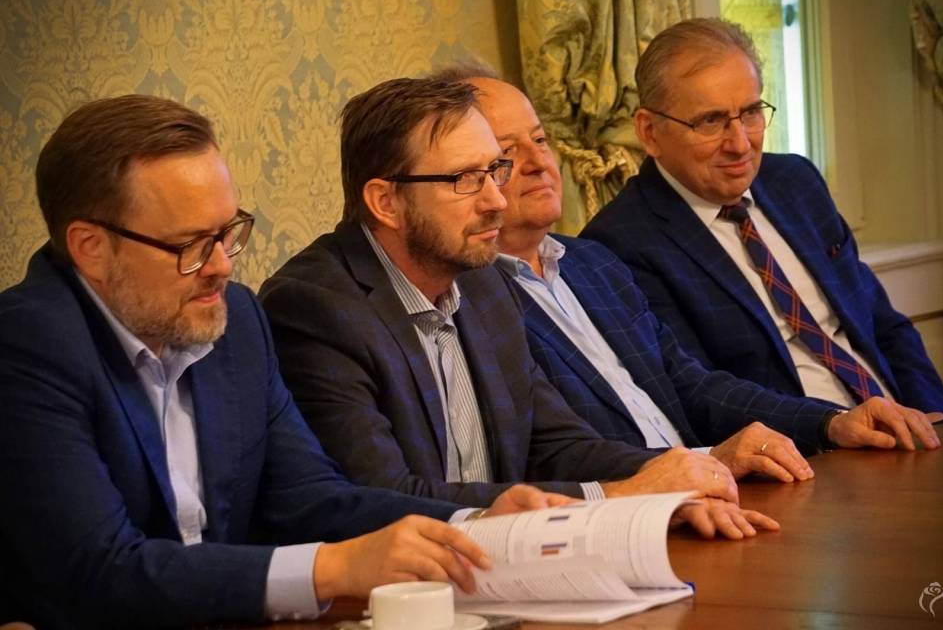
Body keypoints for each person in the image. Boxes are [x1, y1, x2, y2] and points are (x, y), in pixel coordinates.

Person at [0, 94, 564, 629]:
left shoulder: (237, 322)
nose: (222, 266)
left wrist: (476, 525)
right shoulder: (28, 345)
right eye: (191, 245)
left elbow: (309, 498)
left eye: (228, 233)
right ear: (91, 247)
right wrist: (331, 567)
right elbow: (100, 571)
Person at [259, 77, 778, 535]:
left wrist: (675, 480)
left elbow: (555, 444)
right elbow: (382, 497)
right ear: (385, 202)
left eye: (495, 170)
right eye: (465, 180)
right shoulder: (315, 309)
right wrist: (618, 497)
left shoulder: (485, 282)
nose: (496, 201)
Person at [435, 67, 941, 483]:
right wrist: (703, 463)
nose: (538, 162)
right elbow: (549, 455)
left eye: (541, 139)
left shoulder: (592, 263)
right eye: (506, 152)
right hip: (635, 514)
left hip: (715, 490)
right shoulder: (464, 299)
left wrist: (829, 423)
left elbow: (691, 384)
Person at [579, 18, 943, 418]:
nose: (740, 144)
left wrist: (939, 422)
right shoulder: (619, 245)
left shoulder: (796, 182)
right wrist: (833, 427)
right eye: (710, 121)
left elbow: (883, 324)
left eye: (751, 113)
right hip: (802, 447)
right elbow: (699, 396)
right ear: (650, 132)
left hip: (903, 425)